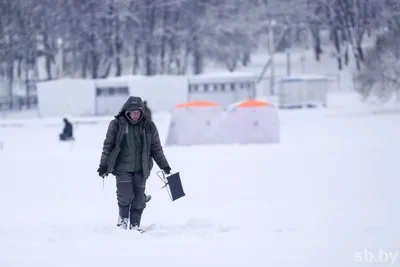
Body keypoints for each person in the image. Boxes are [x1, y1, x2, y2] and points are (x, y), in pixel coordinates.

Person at [97, 96, 171, 231]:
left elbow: (156, 148)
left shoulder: (149, 126)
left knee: (137, 201)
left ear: (142, 112)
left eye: (138, 112)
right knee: (125, 196)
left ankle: (135, 225)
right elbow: (108, 146)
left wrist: (164, 165)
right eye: (133, 112)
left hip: (141, 168)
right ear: (127, 111)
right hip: (122, 167)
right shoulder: (117, 124)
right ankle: (123, 221)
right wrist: (103, 165)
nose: (136, 115)